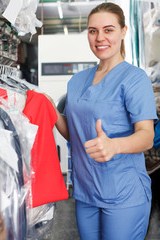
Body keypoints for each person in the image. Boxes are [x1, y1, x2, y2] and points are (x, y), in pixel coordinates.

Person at [46, 2, 158, 240]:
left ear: (123, 32)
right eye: (93, 30)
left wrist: (114, 145)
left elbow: (147, 136)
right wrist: (52, 111)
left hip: (124, 194)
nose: (100, 38)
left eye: (108, 30)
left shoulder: (134, 79)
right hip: (86, 193)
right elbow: (75, 134)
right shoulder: (76, 82)